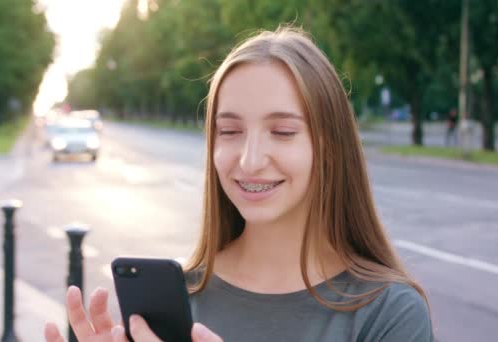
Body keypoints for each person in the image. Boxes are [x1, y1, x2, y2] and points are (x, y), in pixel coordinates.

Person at [44, 26, 433, 342]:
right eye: (229, 131)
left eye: (281, 131)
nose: (249, 160)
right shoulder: (177, 302)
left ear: (330, 147)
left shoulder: (388, 313)